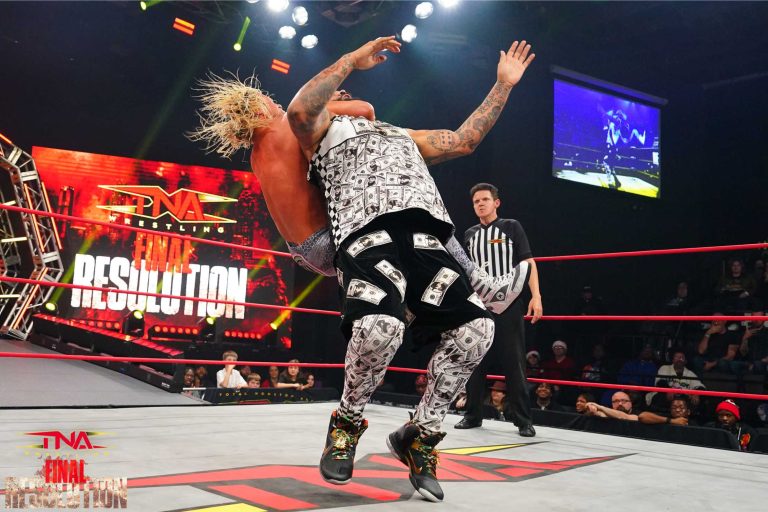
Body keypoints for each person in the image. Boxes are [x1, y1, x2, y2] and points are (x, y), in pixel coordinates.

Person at [286, 35, 535, 502]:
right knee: (380, 328)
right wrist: (350, 60)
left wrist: (503, 85)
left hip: (426, 239)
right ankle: (346, 423)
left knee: (478, 329)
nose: (345, 95)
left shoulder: (404, 135)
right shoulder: (322, 131)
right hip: (366, 234)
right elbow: (300, 110)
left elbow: (465, 140)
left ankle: (419, 436)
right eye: (338, 92)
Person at [189, 74, 530, 317]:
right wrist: (335, 101)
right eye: (269, 100)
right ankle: (472, 284)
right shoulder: (290, 127)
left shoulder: (260, 153)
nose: (276, 101)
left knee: (397, 210)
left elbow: (461, 140)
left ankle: (409, 300)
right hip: (331, 239)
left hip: (304, 249)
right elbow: (364, 109)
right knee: (410, 205)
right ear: (256, 110)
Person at [455, 183, 541, 437]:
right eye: (476, 201)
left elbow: (528, 262)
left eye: (484, 199)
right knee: (474, 359)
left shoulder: (511, 227)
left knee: (514, 361)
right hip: (478, 304)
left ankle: (523, 420)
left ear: (496, 202)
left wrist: (536, 296)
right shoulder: (469, 234)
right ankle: (472, 415)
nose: (480, 204)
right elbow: (467, 271)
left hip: (509, 303)